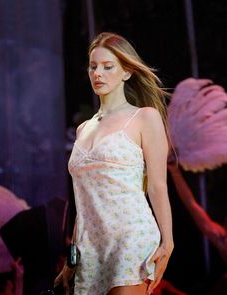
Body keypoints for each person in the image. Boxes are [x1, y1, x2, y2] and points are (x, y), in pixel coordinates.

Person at [56, 32, 174, 295]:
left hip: (131, 237)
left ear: (127, 72)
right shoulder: (83, 130)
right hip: (91, 248)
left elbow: (156, 186)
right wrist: (72, 257)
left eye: (108, 67)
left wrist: (168, 242)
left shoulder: (144, 118)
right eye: (93, 66)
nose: (98, 73)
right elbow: (83, 199)